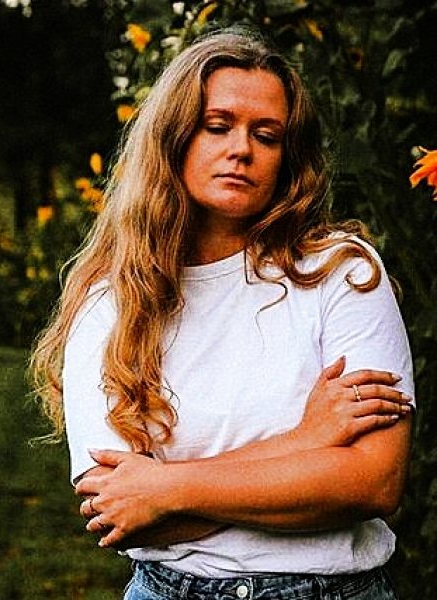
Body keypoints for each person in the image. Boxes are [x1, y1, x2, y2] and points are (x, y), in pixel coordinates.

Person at [30, 26, 415, 600]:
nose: (242, 149)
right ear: (174, 137)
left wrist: (164, 489)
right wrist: (306, 441)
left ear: (288, 155)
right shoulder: (111, 301)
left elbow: (373, 482)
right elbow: (120, 513)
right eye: (217, 126)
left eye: (267, 135)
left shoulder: (342, 273)